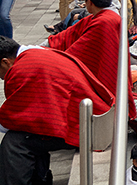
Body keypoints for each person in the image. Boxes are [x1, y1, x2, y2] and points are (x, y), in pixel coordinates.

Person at [0, 36, 115, 185]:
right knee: (30, 134)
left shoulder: (22, 68)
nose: (1, 78)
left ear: (5, 62)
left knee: (15, 143)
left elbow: (13, 117)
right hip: (95, 115)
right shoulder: (36, 53)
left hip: (91, 126)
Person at [47, 0, 136, 117]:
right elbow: (69, 34)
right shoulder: (104, 16)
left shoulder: (103, 21)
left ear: (89, 2)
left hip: (105, 79)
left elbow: (76, 54)